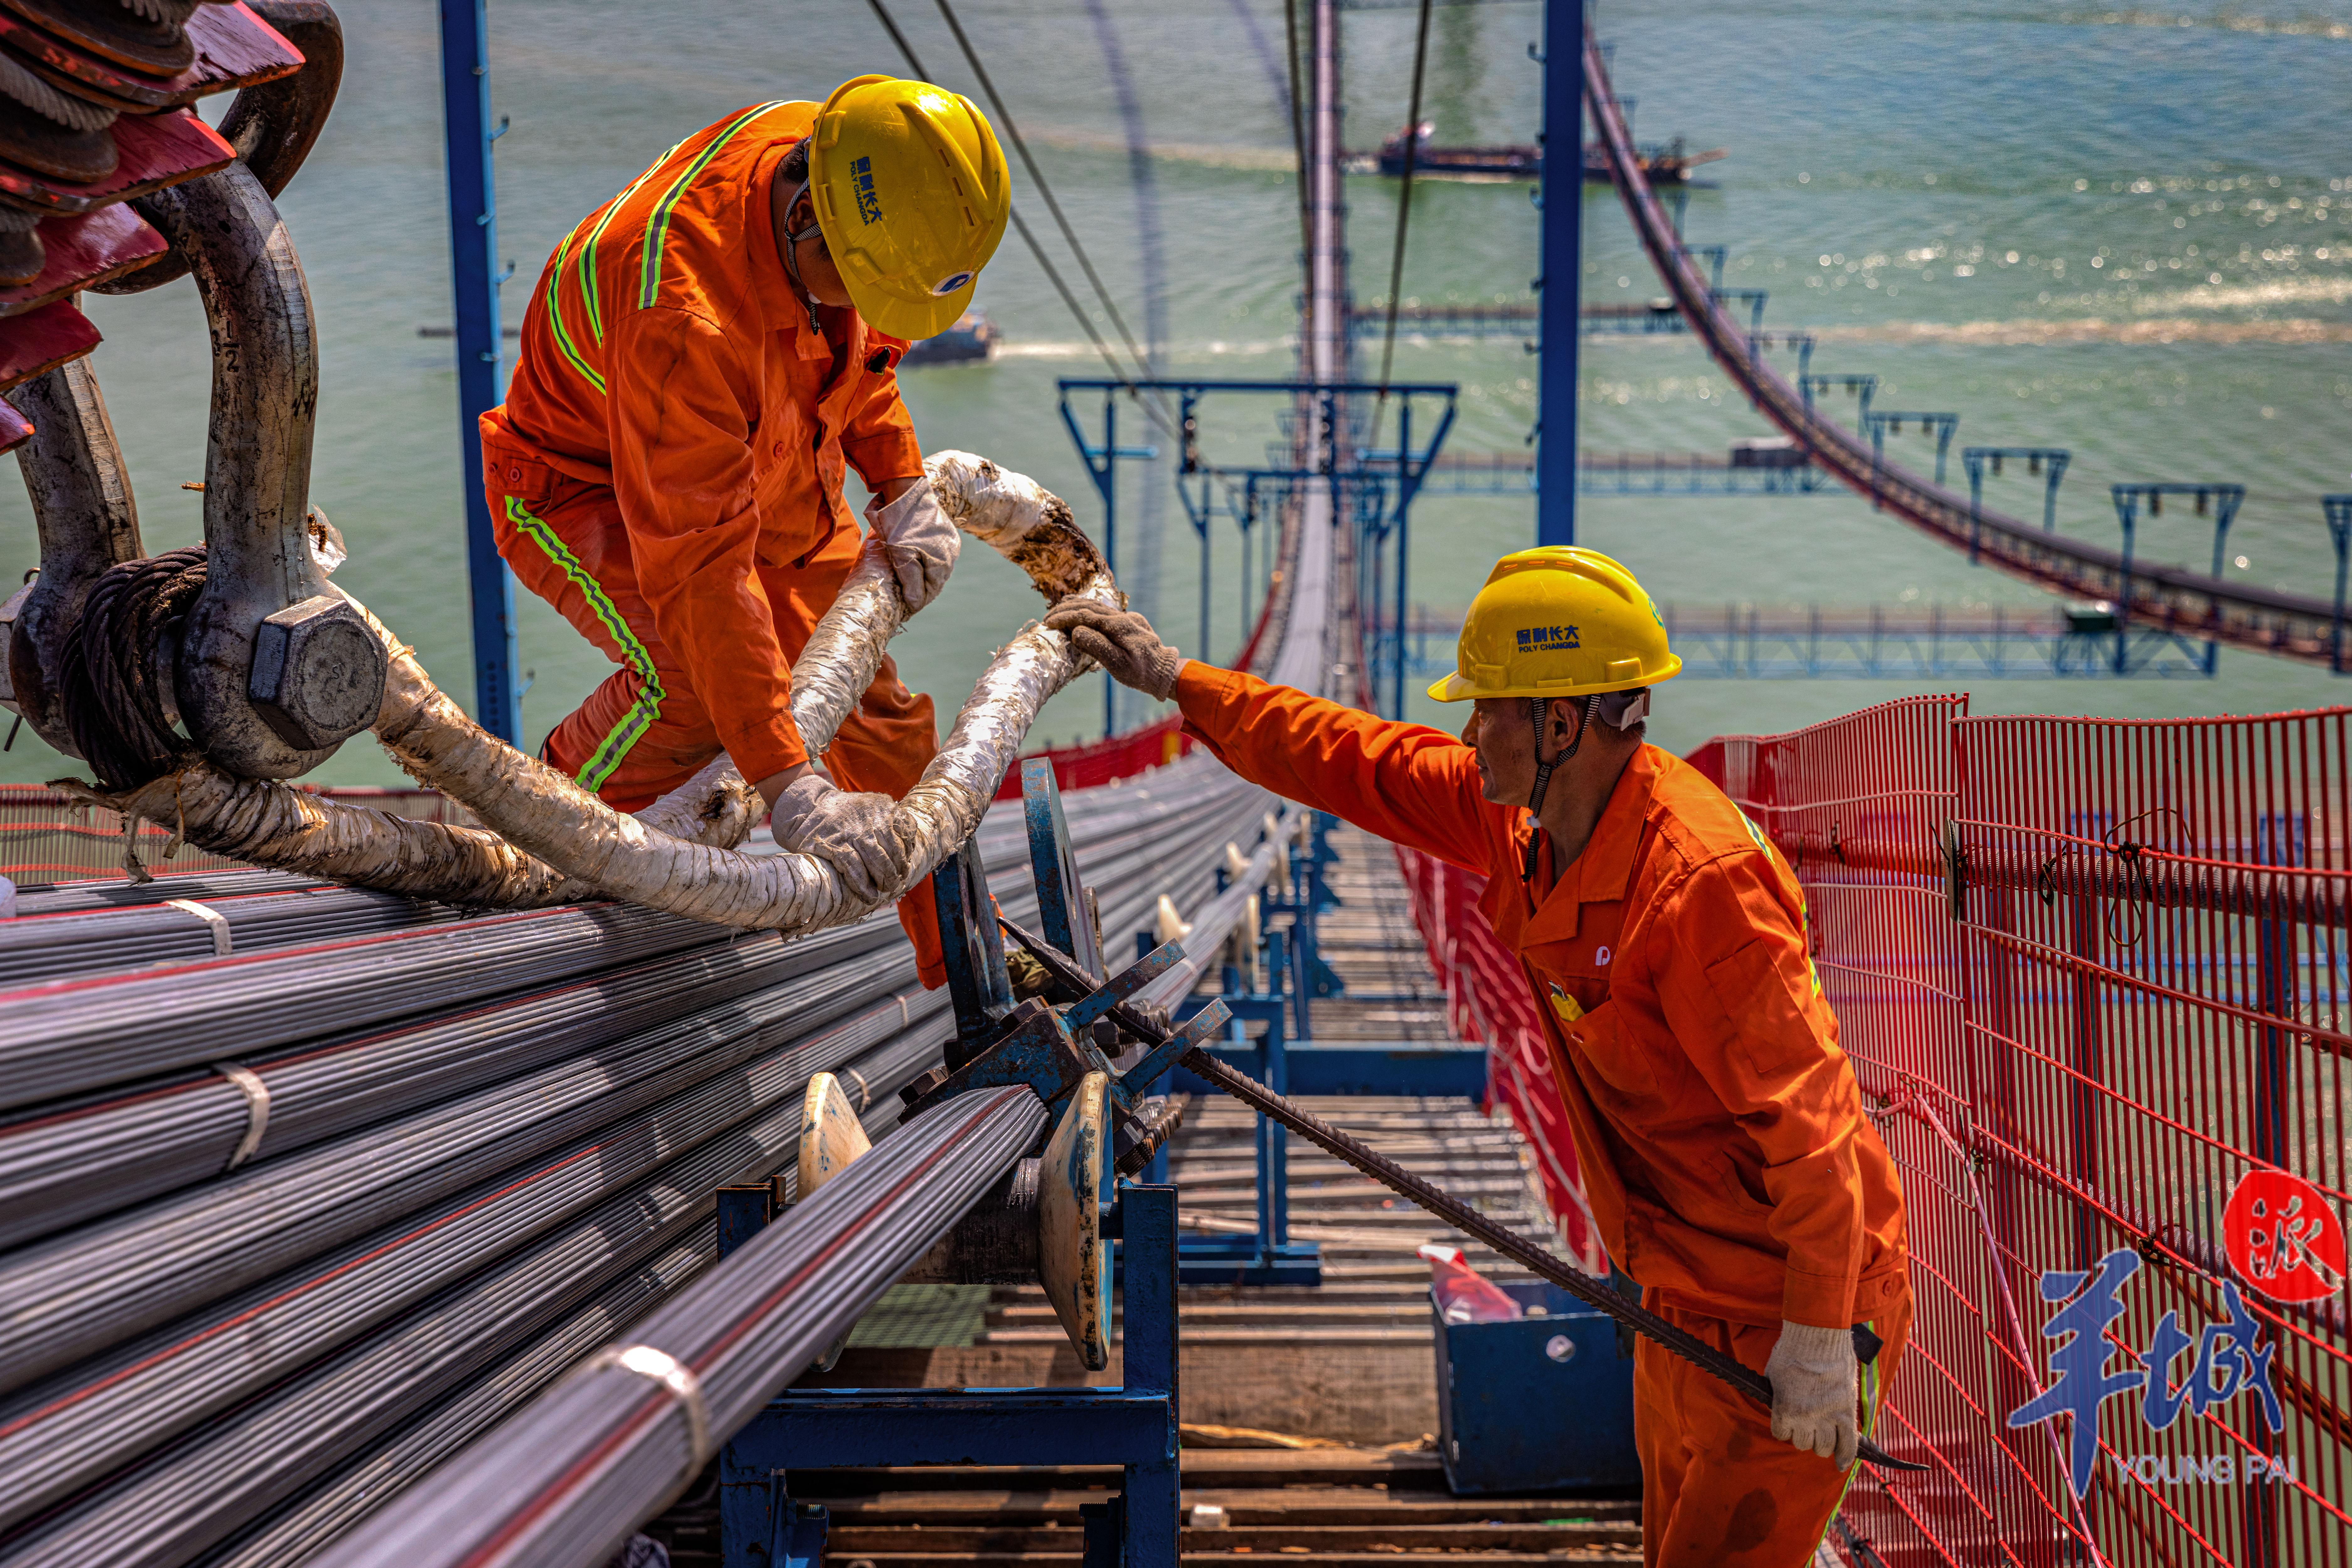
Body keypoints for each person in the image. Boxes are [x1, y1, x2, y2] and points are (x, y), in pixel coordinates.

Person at [1046, 548, 1910, 1566]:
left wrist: (1817, 1338)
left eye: (1487, 707)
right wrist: (1182, 682)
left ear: (1560, 721)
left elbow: (1813, 1128)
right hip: (1682, 1286)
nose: (1467, 731)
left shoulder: (1700, 886)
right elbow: (1352, 756)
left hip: (1783, 1307)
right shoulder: (1527, 822)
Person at [478, 76, 1011, 987]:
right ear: (806, 218)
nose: (863, 309)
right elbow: (704, 582)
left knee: (881, 731)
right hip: (587, 482)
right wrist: (786, 786)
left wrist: (895, 478)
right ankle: (544, 844)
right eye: (855, 287)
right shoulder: (680, 316)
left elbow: (857, 353)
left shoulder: (841, 160)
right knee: (686, 686)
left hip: (763, 443)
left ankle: (972, 973)